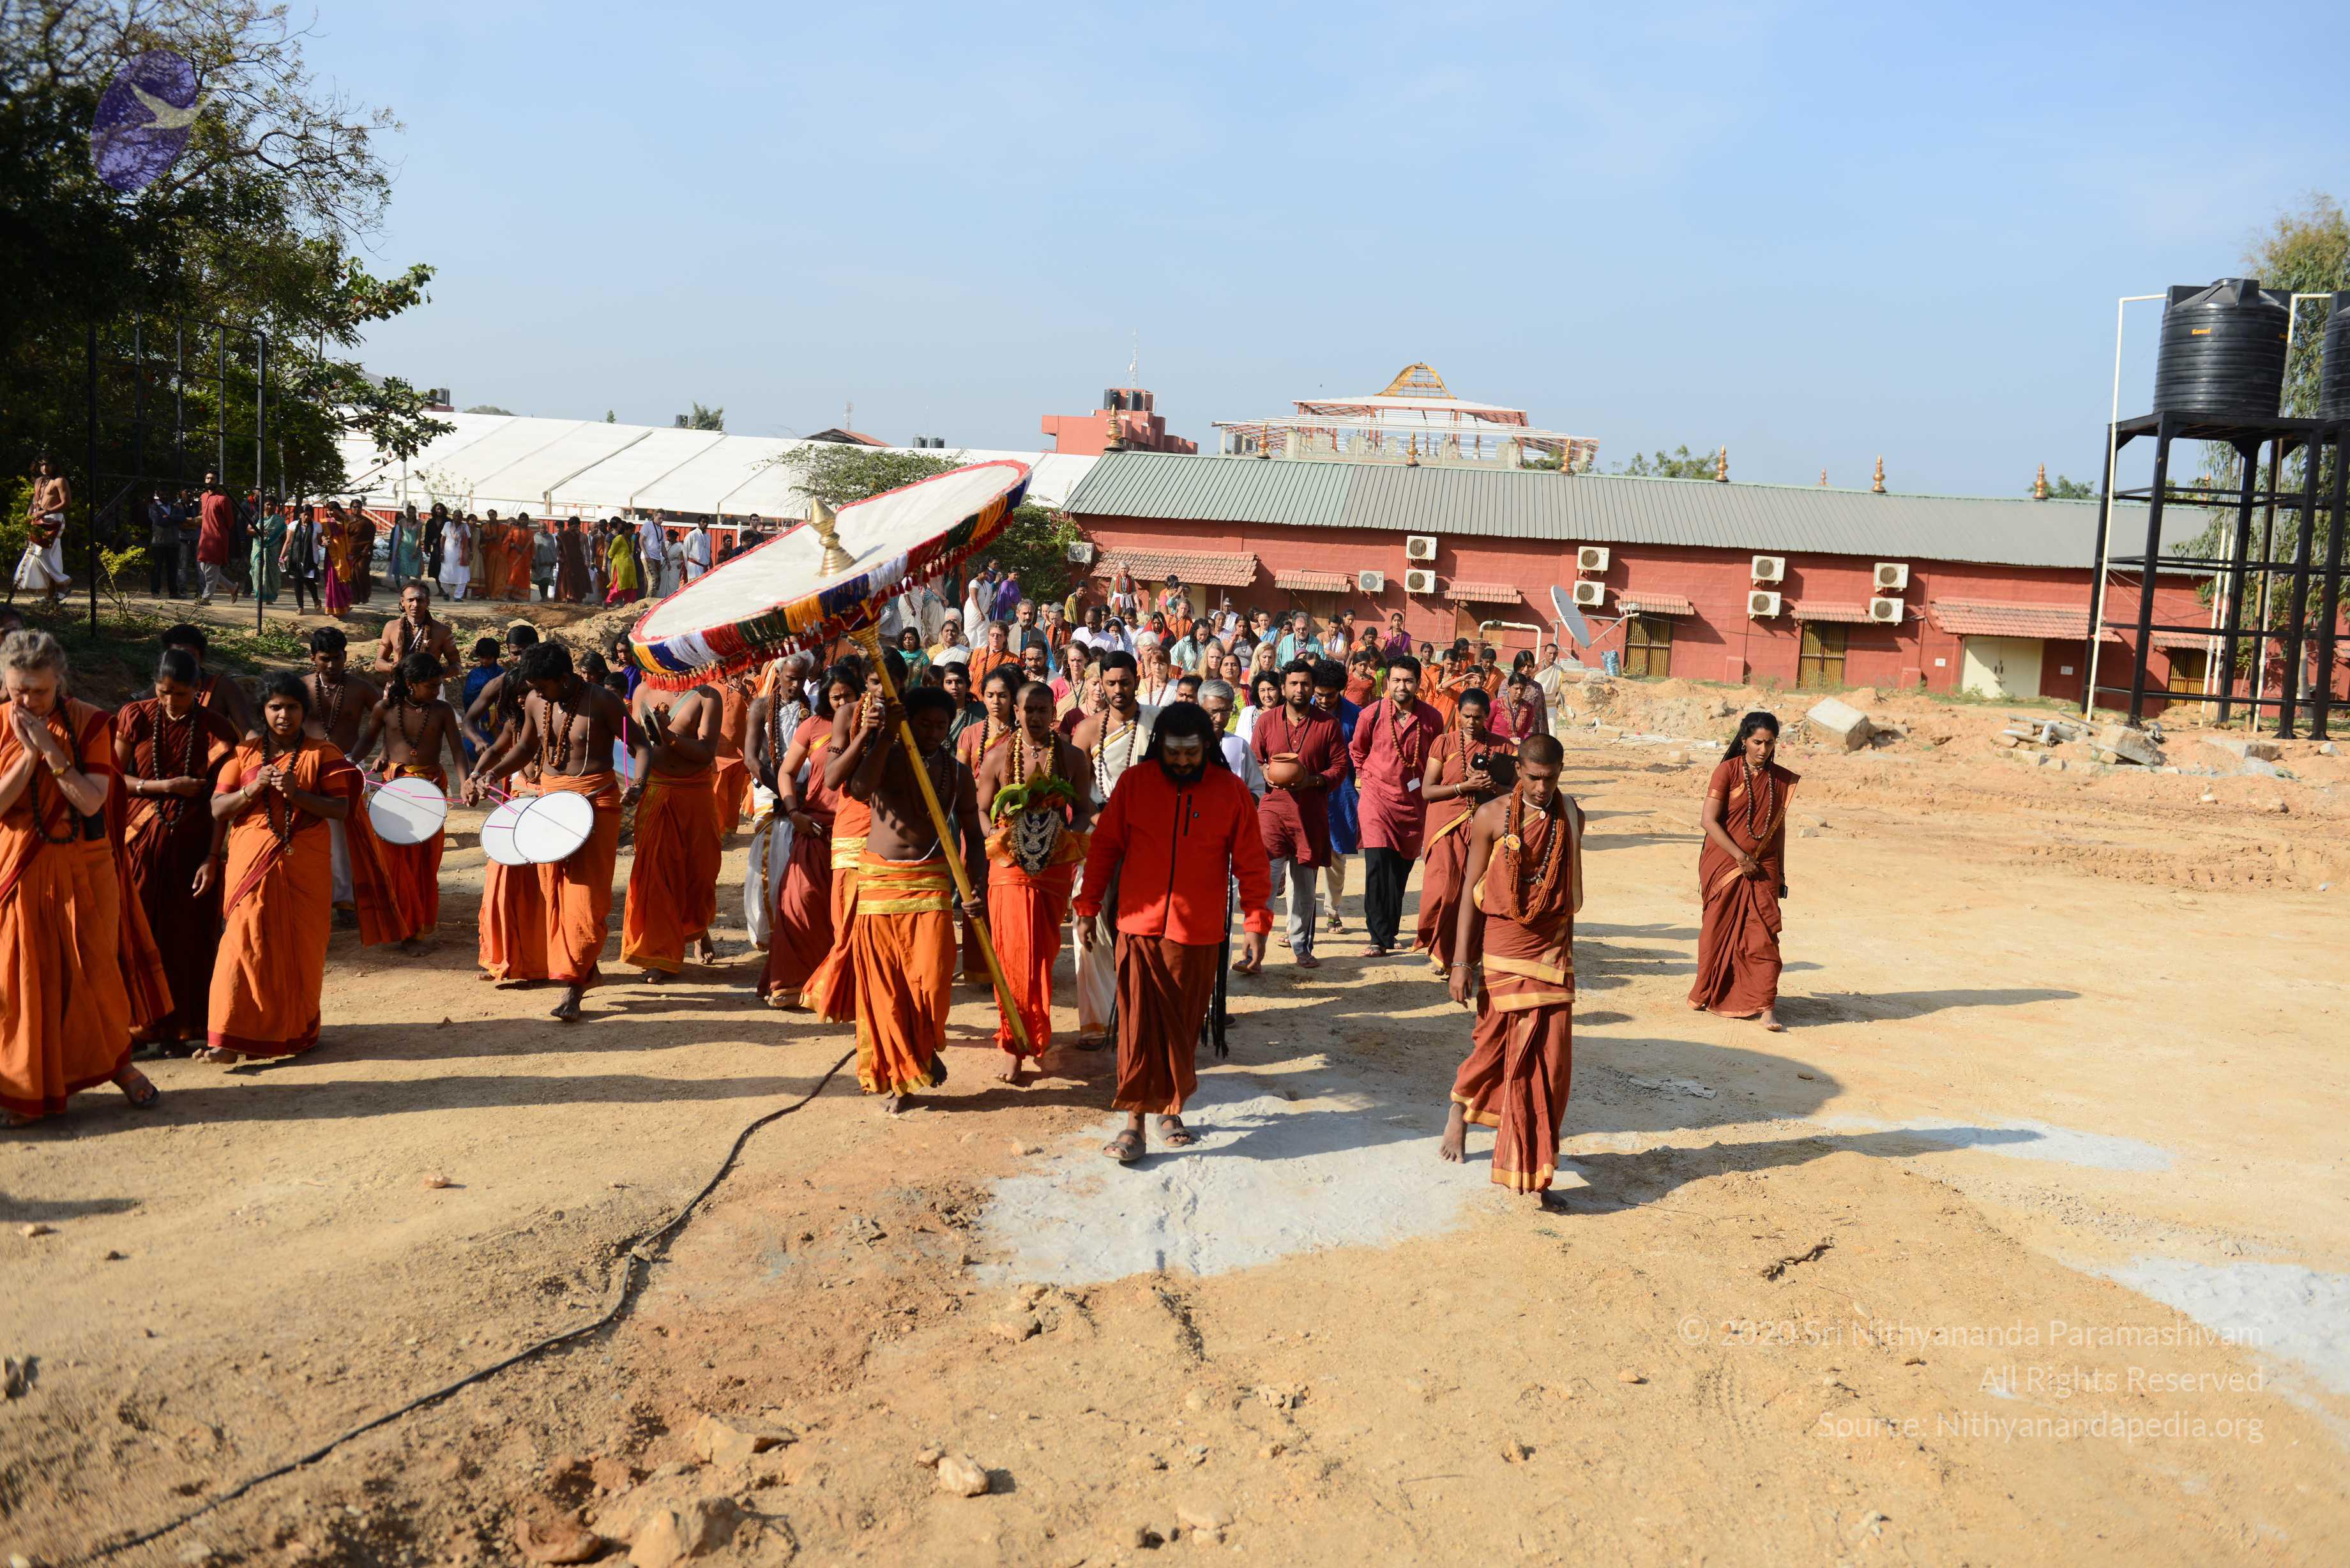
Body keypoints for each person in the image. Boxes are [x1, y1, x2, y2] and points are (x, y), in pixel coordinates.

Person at [1076, 702, 1272, 1162]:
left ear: (1207, 747)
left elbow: (1252, 861)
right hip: (1138, 928)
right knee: (1137, 1028)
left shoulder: (1231, 791)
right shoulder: (1134, 784)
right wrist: (1086, 907)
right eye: (1173, 752)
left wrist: (1257, 922)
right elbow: (1104, 849)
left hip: (1198, 933)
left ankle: (1171, 1109)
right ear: (1157, 747)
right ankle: (1134, 1124)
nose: (1182, 761)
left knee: (1181, 1029)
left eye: (1191, 753)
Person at [0, 630, 156, 1120]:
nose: (28, 702)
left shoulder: (90, 722)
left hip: (84, 865)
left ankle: (117, 1064)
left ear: (60, 682)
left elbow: (91, 801)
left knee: (93, 975)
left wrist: (50, 750)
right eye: (18, 690)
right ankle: (28, 1088)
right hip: (16, 866)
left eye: (40, 691)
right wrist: (27, 756)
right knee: (21, 980)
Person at [807, 681, 984, 1112]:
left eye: (940, 725)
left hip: (931, 882)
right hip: (880, 883)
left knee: (933, 983)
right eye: (924, 724)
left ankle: (922, 1046)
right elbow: (847, 785)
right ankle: (901, 1079)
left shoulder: (957, 773)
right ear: (909, 722)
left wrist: (975, 885)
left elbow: (974, 837)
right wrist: (881, 736)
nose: (932, 733)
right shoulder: (886, 756)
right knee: (885, 989)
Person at [1439, 734, 1584, 1196]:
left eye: (1551, 778)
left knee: (1551, 1062)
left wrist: (1565, 954)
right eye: (1535, 777)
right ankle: (1459, 1110)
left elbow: (1567, 896)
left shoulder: (1571, 816)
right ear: (1518, 770)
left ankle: (1533, 1163)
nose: (1543, 788)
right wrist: (1461, 962)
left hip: (1552, 949)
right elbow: (1470, 892)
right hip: (1503, 945)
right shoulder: (1491, 815)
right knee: (1492, 1044)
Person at [464, 643, 629, 1021]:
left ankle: (573, 987)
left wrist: (639, 783)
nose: (535, 693)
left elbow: (637, 745)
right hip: (550, 804)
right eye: (533, 688)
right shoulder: (537, 702)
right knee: (554, 894)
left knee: (585, 900)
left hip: (597, 803)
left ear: (564, 679)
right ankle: (584, 971)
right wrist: (490, 774)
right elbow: (524, 747)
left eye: (542, 686)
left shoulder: (603, 701)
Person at [201, 673, 360, 1063]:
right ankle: (228, 1037)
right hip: (250, 861)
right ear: (263, 710)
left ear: (304, 712)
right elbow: (218, 809)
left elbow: (341, 809)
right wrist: (253, 789)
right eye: (275, 707)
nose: (284, 715)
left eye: (292, 707)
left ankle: (296, 1031)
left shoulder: (323, 753)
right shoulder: (244, 754)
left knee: (302, 949)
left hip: (305, 863)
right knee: (242, 942)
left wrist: (297, 794)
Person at [114, 647, 242, 1052]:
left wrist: (212, 857)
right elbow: (112, 779)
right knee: (135, 932)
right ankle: (135, 1028)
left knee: (185, 937)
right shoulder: (135, 716)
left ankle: (181, 1028)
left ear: (198, 689)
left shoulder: (216, 728)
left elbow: (224, 798)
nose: (171, 701)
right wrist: (163, 787)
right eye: (163, 691)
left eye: (181, 694)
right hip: (138, 842)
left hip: (192, 845)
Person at [974, 680, 1095, 1083]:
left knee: (1040, 954)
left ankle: (1032, 1030)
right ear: (1016, 712)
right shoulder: (997, 756)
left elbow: (1083, 808)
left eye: (1043, 710)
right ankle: (1012, 1043)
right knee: (1012, 956)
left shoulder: (1072, 756)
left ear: (1053, 713)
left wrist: (1065, 835)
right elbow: (981, 810)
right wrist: (997, 835)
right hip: (1008, 864)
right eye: (1029, 710)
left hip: (1052, 865)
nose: (1036, 717)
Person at [1068, 651, 1159, 1049]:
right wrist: (1099, 820)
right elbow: (1076, 791)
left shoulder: (1158, 723)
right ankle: (1096, 1020)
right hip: (1099, 836)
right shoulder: (1088, 730)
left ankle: (1140, 1012)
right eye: (1111, 683)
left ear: (1137, 680)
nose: (1118, 690)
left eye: (1125, 682)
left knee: (1142, 928)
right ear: (1100, 684)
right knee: (1087, 923)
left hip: (1148, 839)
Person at [351, 652, 468, 955]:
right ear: (411, 683)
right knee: (397, 864)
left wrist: (465, 782)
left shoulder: (442, 710)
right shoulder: (385, 708)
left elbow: (457, 750)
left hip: (431, 792)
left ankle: (417, 928)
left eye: (438, 684)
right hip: (396, 791)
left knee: (425, 863)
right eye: (431, 686)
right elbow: (367, 740)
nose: (437, 690)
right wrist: (349, 763)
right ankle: (403, 929)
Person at [1688, 711, 1798, 1032]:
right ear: (1744, 740)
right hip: (1725, 862)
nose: (1764, 750)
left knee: (1763, 935)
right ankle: (1708, 991)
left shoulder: (1779, 779)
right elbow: (1708, 820)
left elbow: (1778, 830)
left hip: (1764, 864)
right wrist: (1740, 857)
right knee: (1717, 929)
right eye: (1757, 742)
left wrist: (1781, 873)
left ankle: (1766, 1007)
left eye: (1770, 743)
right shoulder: (1727, 771)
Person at [757, 664, 849, 1008]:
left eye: (849, 696)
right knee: (799, 902)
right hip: (813, 828)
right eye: (836, 697)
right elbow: (786, 772)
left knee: (842, 913)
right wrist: (794, 812)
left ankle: (834, 987)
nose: (842, 704)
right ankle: (792, 983)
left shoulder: (867, 726)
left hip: (854, 833)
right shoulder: (813, 726)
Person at [1244, 660, 1346, 971]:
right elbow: (1256, 758)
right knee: (1264, 884)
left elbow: (1340, 767)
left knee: (1304, 888)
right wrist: (1265, 772)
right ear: (1283, 687)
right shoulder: (1267, 721)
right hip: (1272, 813)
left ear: (1312, 687)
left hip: (1310, 815)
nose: (1299, 689)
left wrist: (1312, 781)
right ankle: (1253, 951)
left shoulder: (1328, 725)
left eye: (1305, 684)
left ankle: (1302, 946)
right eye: (1293, 683)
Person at [622, 678, 725, 977]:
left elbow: (706, 753)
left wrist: (667, 735)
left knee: (698, 874)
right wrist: (638, 774)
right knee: (656, 873)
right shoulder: (643, 690)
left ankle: (697, 930)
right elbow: (637, 748)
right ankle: (658, 954)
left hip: (694, 795)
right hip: (657, 791)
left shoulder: (708, 696)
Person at [1349, 654, 1444, 957]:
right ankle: (1376, 937)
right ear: (1387, 683)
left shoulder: (1432, 718)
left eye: (1408, 681)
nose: (1402, 686)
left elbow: (1437, 759)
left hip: (1413, 804)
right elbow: (1357, 750)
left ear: (1418, 684)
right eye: (1396, 680)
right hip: (1376, 799)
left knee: (1400, 870)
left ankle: (1388, 932)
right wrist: (1366, 778)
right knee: (1377, 865)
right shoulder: (1372, 714)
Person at [1415, 686, 1514, 974]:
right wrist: (1463, 787)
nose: (1472, 722)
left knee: (1475, 892)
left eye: (1478, 717)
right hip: (1445, 827)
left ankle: (1465, 959)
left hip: (1485, 829)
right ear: (1458, 714)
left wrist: (1492, 786)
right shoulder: (1444, 743)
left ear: (1487, 717)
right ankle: (1441, 952)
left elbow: (1517, 792)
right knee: (1443, 890)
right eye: (1467, 716)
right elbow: (1427, 790)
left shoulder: (1503, 747)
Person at [299, 626, 388, 928]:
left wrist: (382, 752)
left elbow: (389, 719)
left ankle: (347, 900)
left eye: (337, 658)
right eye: (325, 659)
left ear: (345, 656)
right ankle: (311, 896)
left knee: (348, 835)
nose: (331, 665)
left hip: (348, 767)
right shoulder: (300, 688)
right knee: (308, 833)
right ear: (313, 657)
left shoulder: (361, 689)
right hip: (307, 768)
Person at [1312, 658, 1363, 935]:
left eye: (1329, 696)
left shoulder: (1356, 717)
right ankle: (1301, 920)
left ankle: (1332, 913)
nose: (1322, 700)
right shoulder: (1302, 710)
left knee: (1335, 860)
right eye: (1318, 694)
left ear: (1340, 690)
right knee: (1303, 859)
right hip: (1307, 793)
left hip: (1341, 796)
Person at [160, 623, 257, 737]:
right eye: (177, 656)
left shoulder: (223, 687)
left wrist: (259, 746)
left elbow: (246, 730)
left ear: (201, 658)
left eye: (190, 656)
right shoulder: (160, 688)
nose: (183, 663)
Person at [373, 581, 463, 680]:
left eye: (420, 600)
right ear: (402, 602)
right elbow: (378, 663)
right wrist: (396, 668)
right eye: (410, 600)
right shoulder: (391, 627)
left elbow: (457, 666)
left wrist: (434, 675)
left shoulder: (442, 631)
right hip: (400, 685)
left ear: (427, 602)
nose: (415, 604)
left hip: (430, 686)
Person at [709, 668, 754, 840]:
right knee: (718, 795)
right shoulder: (710, 686)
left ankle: (728, 832)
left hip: (740, 752)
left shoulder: (749, 685)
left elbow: (760, 711)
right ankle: (718, 834)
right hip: (718, 754)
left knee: (734, 797)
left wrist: (746, 695)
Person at [193, 471, 235, 605]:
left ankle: (206, 598)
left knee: (211, 569)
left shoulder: (223, 500)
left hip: (217, 539)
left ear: (218, 482)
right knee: (204, 567)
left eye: (213, 479)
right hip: (205, 538)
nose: (210, 481)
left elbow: (230, 522)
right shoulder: (203, 496)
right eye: (208, 478)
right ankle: (232, 588)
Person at [1494, 670, 1551, 741]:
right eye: (1516, 688)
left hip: (1518, 746)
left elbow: (1526, 730)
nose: (1519, 692)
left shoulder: (1528, 708)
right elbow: (1487, 727)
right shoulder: (1496, 705)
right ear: (1508, 688)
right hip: (1498, 745)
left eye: (1522, 689)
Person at [146, 489, 183, 598]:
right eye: (163, 495)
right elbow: (158, 521)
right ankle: (155, 592)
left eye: (167, 494)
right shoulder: (154, 507)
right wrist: (173, 520)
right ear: (158, 495)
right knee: (157, 568)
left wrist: (169, 517)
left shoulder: (175, 508)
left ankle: (173, 592)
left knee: (173, 569)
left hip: (174, 542)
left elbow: (182, 518)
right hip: (159, 542)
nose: (165, 496)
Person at [249, 498, 286, 604]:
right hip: (258, 549)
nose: (270, 507)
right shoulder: (257, 516)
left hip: (274, 551)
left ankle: (270, 598)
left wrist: (284, 554)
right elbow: (248, 530)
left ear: (276, 507)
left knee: (272, 574)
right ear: (263, 505)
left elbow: (284, 537)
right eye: (268, 504)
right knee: (257, 571)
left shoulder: (279, 520)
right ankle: (260, 596)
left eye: (273, 505)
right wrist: (258, 531)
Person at [319, 502, 352, 617]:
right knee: (331, 581)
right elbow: (321, 536)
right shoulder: (325, 522)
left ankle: (345, 606)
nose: (330, 513)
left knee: (344, 581)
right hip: (332, 556)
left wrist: (340, 514)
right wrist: (324, 540)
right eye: (328, 510)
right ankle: (332, 609)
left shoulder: (346, 521)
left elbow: (351, 521)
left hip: (344, 556)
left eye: (332, 510)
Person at [968, 620, 1017, 692]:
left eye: (999, 635)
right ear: (988, 635)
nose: (995, 638)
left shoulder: (1013, 659)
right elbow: (970, 676)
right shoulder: (977, 653)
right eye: (992, 635)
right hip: (975, 696)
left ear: (1005, 637)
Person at [605, 520, 642, 604]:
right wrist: (617, 562)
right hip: (620, 568)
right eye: (631, 531)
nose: (633, 533)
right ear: (626, 530)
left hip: (630, 567)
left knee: (631, 587)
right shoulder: (619, 539)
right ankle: (608, 602)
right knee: (619, 586)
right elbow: (610, 554)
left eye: (634, 531)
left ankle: (629, 605)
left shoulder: (631, 540)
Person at [635, 513, 671, 598]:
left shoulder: (662, 529)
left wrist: (667, 560)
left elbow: (663, 546)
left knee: (657, 581)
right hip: (648, 556)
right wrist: (646, 554)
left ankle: (650, 599)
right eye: (660, 518)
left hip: (657, 557)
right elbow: (641, 540)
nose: (661, 521)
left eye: (663, 519)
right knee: (654, 579)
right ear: (654, 516)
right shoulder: (647, 525)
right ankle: (648, 601)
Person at [556, 518, 591, 603]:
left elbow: (581, 549)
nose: (577, 528)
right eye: (575, 526)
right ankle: (566, 598)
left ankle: (575, 598)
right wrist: (560, 558)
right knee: (566, 580)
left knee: (579, 580)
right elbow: (557, 549)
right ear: (570, 526)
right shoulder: (563, 535)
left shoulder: (577, 536)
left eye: (578, 527)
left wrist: (587, 561)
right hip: (566, 562)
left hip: (577, 562)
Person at [390, 502, 424, 587]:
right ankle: (405, 587)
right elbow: (400, 536)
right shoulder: (402, 522)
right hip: (404, 548)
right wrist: (397, 550)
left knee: (416, 570)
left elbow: (418, 538)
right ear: (407, 512)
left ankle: (418, 588)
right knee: (405, 568)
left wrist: (416, 550)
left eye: (412, 512)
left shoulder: (419, 523)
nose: (410, 514)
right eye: (409, 512)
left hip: (415, 548)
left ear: (415, 513)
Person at [532, 518, 559, 601]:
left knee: (546, 580)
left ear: (546, 528)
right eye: (541, 528)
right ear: (539, 528)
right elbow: (532, 549)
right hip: (538, 562)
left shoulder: (550, 537)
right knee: (540, 581)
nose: (543, 529)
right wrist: (533, 560)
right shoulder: (535, 536)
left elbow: (553, 549)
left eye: (544, 528)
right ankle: (543, 597)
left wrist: (554, 560)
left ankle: (545, 597)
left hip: (548, 562)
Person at [682, 518, 715, 585]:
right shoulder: (692, 534)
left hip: (705, 568)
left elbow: (708, 554)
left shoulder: (708, 536)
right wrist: (688, 567)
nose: (705, 524)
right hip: (694, 568)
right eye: (703, 522)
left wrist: (710, 566)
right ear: (699, 523)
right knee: (694, 588)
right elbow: (685, 552)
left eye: (707, 522)